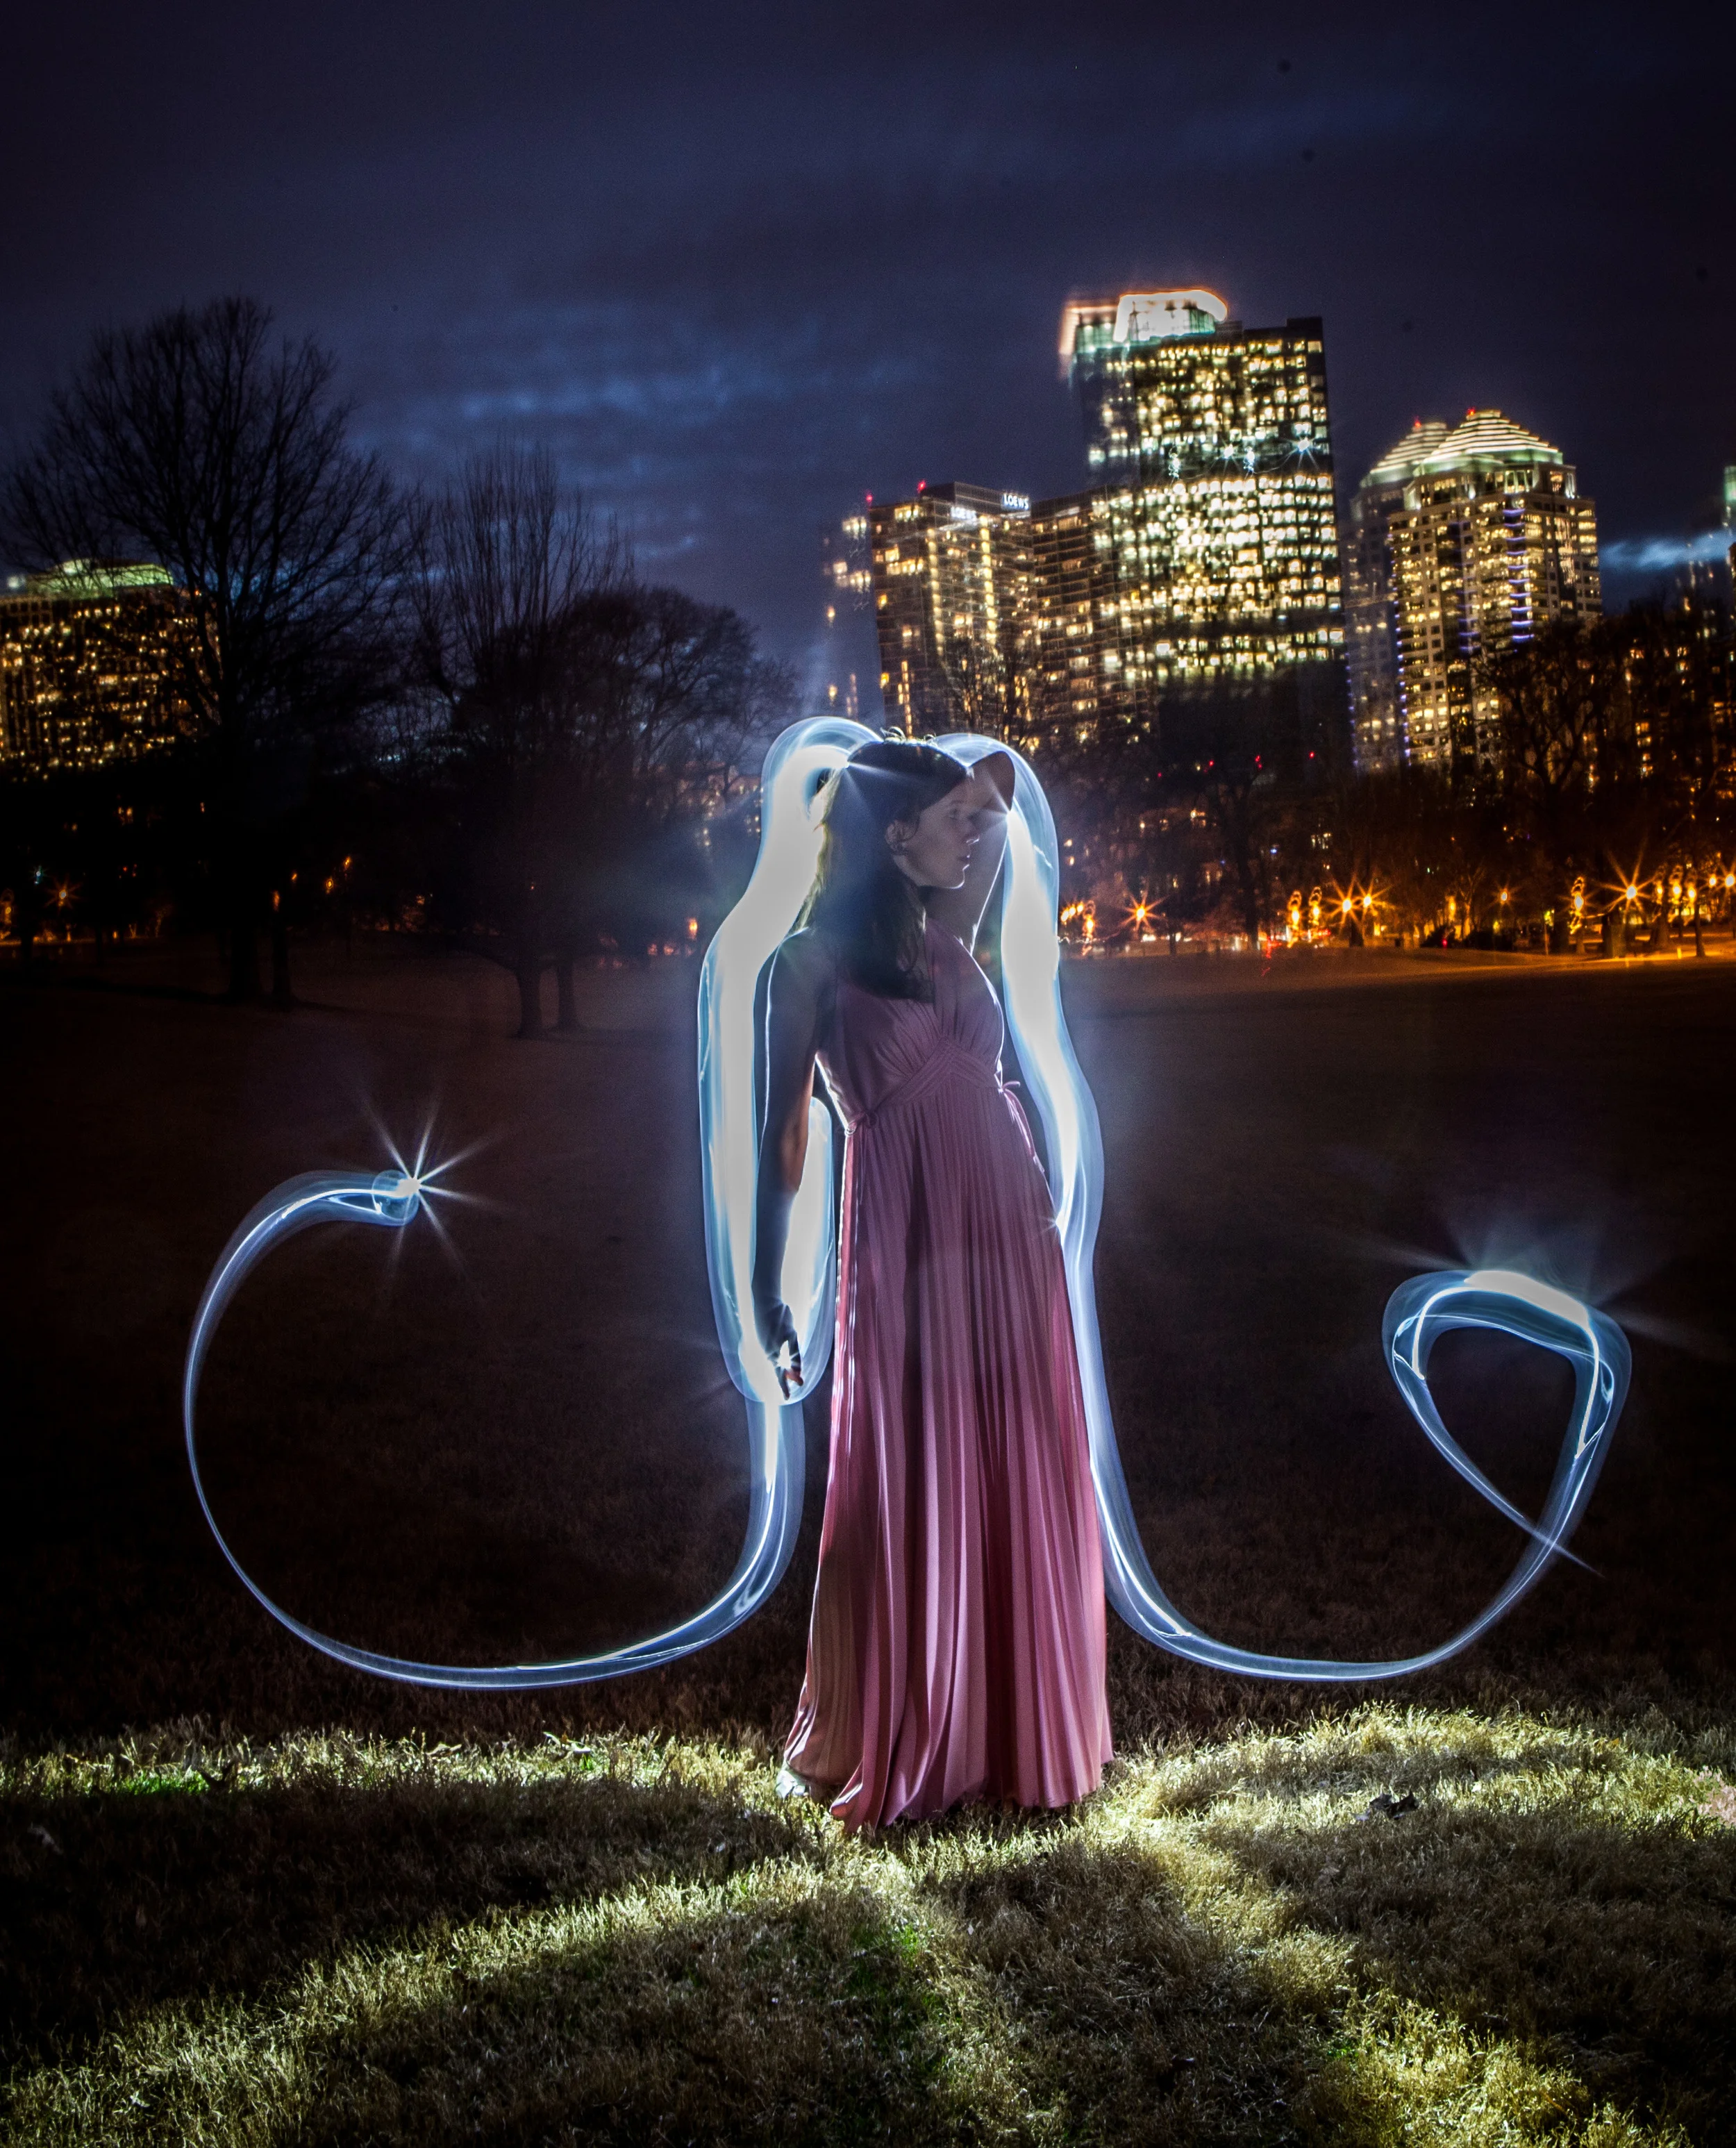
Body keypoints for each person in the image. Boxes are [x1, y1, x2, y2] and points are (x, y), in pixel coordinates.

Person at [752, 737, 1112, 1830]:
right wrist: (771, 1289)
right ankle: (912, 1726)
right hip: (905, 1229)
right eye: (943, 822)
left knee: (1013, 1453)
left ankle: (1012, 1728)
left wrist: (943, 781)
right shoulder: (805, 966)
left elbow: (999, 777)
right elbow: (784, 1138)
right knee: (914, 1464)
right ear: (892, 834)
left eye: (963, 823)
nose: (972, 835)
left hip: (1007, 1226)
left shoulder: (948, 932)